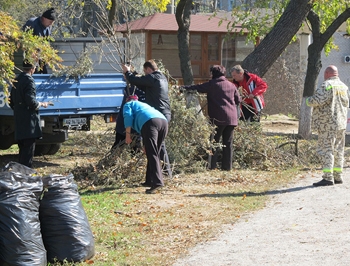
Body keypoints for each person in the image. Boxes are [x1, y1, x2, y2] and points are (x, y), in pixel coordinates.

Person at [182, 65, 241, 170]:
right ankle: (227, 167)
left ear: (213, 74)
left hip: (217, 118)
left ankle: (212, 166)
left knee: (214, 142)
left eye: (210, 73)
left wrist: (182, 88)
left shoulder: (212, 84)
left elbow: (197, 88)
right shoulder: (231, 85)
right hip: (231, 118)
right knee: (228, 143)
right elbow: (238, 100)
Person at [122, 60, 172, 177]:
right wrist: (131, 75)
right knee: (153, 146)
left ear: (149, 70)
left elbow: (138, 81)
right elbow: (140, 83)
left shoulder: (153, 77)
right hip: (164, 114)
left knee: (157, 146)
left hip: (157, 115)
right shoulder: (161, 78)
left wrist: (128, 73)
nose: (145, 74)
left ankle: (164, 173)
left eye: (145, 72)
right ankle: (155, 175)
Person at [306, 65, 349, 187]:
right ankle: (338, 176)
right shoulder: (344, 87)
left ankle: (328, 177)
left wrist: (307, 100)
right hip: (341, 124)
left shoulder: (327, 85)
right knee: (339, 150)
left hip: (327, 125)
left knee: (326, 150)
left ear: (327, 74)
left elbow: (317, 100)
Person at [123, 95, 168, 194]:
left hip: (150, 123)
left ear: (127, 100)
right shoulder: (142, 105)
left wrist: (128, 135)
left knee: (152, 153)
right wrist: (145, 144)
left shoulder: (128, 104)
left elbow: (128, 116)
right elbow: (144, 122)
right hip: (163, 122)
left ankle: (157, 182)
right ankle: (149, 180)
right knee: (153, 152)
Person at [9, 60, 50, 168]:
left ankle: (20, 174)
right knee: (28, 150)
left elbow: (10, 101)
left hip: (19, 118)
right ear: (33, 69)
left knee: (22, 149)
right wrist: (41, 104)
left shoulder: (16, 79)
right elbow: (31, 101)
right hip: (29, 121)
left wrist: (19, 110)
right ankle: (26, 175)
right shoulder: (29, 80)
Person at [22, 8, 56, 74]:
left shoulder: (48, 27)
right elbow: (25, 39)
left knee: (44, 73)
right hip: (31, 55)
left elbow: (46, 42)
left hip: (41, 56)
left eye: (52, 23)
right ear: (44, 18)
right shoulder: (32, 23)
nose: (50, 24)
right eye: (50, 22)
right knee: (34, 74)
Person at [111, 84, 145, 149]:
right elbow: (128, 117)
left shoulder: (141, 90)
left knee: (135, 146)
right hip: (128, 126)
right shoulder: (131, 89)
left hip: (136, 127)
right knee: (119, 144)